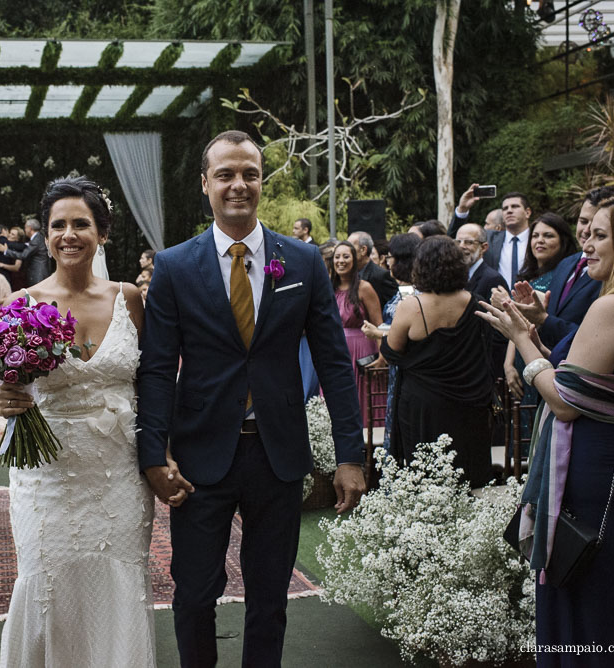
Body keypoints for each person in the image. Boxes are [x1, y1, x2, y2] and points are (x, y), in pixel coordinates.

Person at [137, 130, 365, 667]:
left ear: (262, 180)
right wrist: (153, 453)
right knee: (193, 595)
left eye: (250, 174)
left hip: (277, 455)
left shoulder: (305, 262)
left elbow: (335, 363)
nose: (238, 185)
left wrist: (351, 455)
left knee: (270, 599)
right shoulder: (173, 266)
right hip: (199, 457)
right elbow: (155, 368)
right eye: (225, 175)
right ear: (205, 184)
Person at [0, 176, 154, 666]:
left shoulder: (130, 299)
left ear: (102, 233)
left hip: (117, 470)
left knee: (119, 577)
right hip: (48, 472)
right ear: (45, 234)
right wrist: (4, 401)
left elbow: (151, 381)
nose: (69, 234)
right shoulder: (22, 304)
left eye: (81, 223)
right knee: (46, 577)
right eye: (58, 224)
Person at [476, 192, 614, 667]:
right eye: (586, 233)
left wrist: (519, 344)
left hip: (599, 472)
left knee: (588, 598)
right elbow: (596, 381)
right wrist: (536, 336)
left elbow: (567, 401)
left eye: (599, 235)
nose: (585, 245)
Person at [381, 236, 495, 489]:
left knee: (424, 475)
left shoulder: (412, 306)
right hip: (469, 401)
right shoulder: (475, 301)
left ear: (420, 267)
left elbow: (392, 351)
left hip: (423, 406)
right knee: (468, 473)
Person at [510, 186, 614, 352]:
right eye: (583, 221)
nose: (586, 230)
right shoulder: (565, 264)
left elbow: (598, 339)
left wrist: (544, 319)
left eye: (597, 225)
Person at [503, 214, 578, 440]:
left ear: (563, 240)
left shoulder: (565, 278)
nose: (540, 241)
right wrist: (508, 363)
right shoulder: (529, 276)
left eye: (548, 235)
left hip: (544, 353)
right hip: (520, 355)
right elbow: (516, 320)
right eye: (535, 235)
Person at [361, 233, 420, 453]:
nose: (387, 261)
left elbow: (409, 333)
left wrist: (378, 334)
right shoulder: (401, 288)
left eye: (391, 256)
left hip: (408, 368)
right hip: (395, 365)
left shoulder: (413, 292)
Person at [333, 240, 384, 422]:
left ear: (354, 260)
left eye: (346, 256)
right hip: (336, 351)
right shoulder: (328, 288)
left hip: (362, 350)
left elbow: (378, 324)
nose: (341, 261)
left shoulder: (364, 288)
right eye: (337, 257)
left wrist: (382, 357)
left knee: (364, 399)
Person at [456, 222, 510, 384]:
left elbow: (500, 332)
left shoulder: (492, 278)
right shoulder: (458, 276)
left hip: (484, 367)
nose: (461, 246)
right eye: (458, 242)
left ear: (484, 247)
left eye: (468, 242)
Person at [348, 230, 398, 307]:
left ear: (363, 250)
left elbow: (393, 307)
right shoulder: (348, 274)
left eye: (350, 247)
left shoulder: (381, 275)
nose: (346, 250)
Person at [0, 218, 51, 286]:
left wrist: (6, 251)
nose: (25, 230)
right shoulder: (38, 238)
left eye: (25, 227)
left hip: (38, 273)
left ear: (30, 228)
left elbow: (23, 255)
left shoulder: (36, 240)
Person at [0, 227, 27, 292]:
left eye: (13, 234)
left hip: (17, 279)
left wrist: (1, 265)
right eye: (10, 233)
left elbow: (16, 267)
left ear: (18, 238)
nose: (9, 235)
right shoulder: (8, 245)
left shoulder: (20, 249)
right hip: (9, 277)